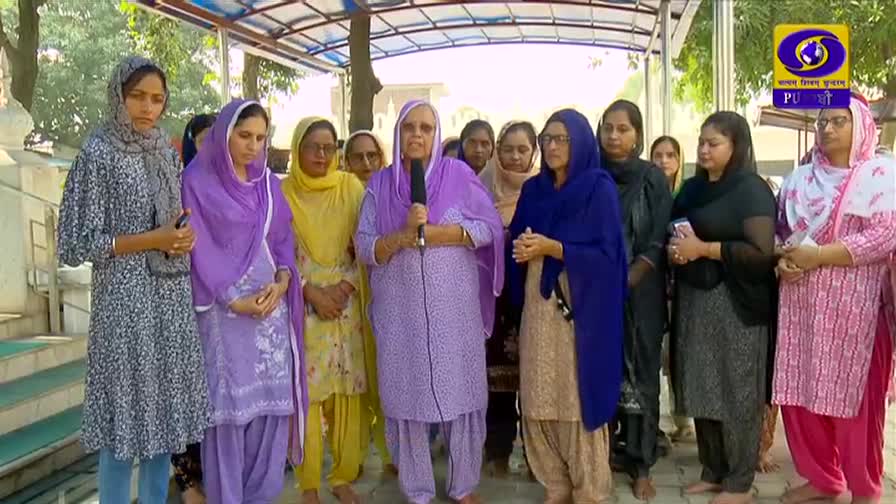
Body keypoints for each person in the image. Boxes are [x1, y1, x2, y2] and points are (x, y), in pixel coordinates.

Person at [57, 56, 209, 503]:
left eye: (157, 99)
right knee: (122, 428)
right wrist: (152, 239)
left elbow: (169, 221)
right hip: (123, 301)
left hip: (168, 299)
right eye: (137, 96)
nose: (147, 107)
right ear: (118, 96)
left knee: (163, 424)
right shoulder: (98, 153)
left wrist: (179, 237)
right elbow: (76, 243)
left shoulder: (164, 151)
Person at [355, 100, 504, 504]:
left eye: (426, 128)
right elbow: (364, 247)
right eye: (409, 128)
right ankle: (417, 489)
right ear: (398, 134)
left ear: (436, 135)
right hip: (399, 314)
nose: (417, 135)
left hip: (454, 313)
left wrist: (441, 234)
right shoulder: (380, 187)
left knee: (462, 393)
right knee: (407, 397)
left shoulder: (458, 176)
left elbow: (489, 229)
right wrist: (401, 237)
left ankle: (463, 485)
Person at [182, 99, 307, 504]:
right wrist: (234, 301)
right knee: (229, 417)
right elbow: (196, 248)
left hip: (270, 310)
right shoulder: (197, 182)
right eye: (244, 135)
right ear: (225, 134)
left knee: (270, 412)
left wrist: (284, 281)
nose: (253, 146)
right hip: (225, 313)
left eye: (260, 138)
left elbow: (283, 241)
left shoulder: (268, 185)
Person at [774, 95, 896, 504]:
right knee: (802, 400)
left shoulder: (880, 175)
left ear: (860, 126)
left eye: (839, 121)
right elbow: (781, 233)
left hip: (856, 312)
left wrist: (820, 255)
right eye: (823, 121)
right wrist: (783, 261)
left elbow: (885, 235)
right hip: (802, 307)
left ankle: (865, 488)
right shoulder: (799, 179)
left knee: (856, 406)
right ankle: (824, 479)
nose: (827, 128)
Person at [510, 109, 627, 503]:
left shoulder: (597, 188)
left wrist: (554, 247)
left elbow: (610, 256)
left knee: (575, 395)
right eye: (546, 139)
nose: (552, 146)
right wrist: (522, 247)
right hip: (538, 304)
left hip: (580, 307)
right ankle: (556, 482)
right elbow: (518, 239)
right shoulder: (534, 190)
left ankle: (588, 487)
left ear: (580, 143)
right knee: (539, 391)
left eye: (561, 139)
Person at [668, 111, 777, 504]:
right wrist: (676, 251)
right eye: (701, 142)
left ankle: (739, 482)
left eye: (713, 143)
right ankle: (713, 470)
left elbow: (761, 254)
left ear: (737, 146)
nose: (704, 150)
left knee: (737, 391)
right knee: (701, 383)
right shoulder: (692, 188)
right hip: (695, 300)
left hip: (737, 303)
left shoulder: (751, 190)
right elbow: (675, 228)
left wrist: (705, 249)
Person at [283, 117, 369, 504]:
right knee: (308, 394)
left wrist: (345, 286)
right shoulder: (282, 194)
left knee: (347, 391)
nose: (322, 155)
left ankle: (342, 476)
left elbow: (365, 243)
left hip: (348, 303)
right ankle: (309, 484)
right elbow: (275, 254)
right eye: (313, 147)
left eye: (329, 147)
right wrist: (311, 292)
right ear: (297, 149)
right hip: (302, 302)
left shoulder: (351, 188)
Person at [599, 99, 673, 501]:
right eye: (608, 128)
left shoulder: (652, 179)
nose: (614, 136)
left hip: (641, 291)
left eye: (623, 129)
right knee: (601, 370)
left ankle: (641, 463)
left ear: (638, 135)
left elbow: (658, 236)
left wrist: (630, 277)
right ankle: (604, 455)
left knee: (642, 372)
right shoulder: (590, 175)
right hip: (597, 291)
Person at [478, 120, 539, 478]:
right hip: (491, 298)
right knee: (496, 380)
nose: (515, 157)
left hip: (534, 297)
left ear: (533, 153)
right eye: (508, 149)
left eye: (522, 150)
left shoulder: (544, 189)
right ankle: (497, 450)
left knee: (536, 380)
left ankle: (537, 457)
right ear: (497, 152)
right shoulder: (480, 189)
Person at [342, 129, 398, 477]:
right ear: (346, 161)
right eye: (357, 156)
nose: (366, 163)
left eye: (372, 156)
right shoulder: (339, 195)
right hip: (349, 296)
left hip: (388, 294)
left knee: (388, 371)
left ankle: (393, 451)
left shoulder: (392, 194)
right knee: (357, 374)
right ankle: (356, 454)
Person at [171, 110, 216, 504]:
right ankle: (187, 482)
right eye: (204, 140)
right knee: (183, 391)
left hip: (221, 309)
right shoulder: (177, 186)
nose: (212, 149)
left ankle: (213, 474)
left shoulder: (236, 187)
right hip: (181, 304)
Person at [649, 134, 695, 447]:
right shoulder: (646, 192)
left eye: (670, 155)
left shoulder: (686, 195)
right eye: (658, 155)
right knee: (657, 354)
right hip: (653, 282)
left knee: (678, 352)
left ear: (679, 160)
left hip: (682, 284)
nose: (664, 161)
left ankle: (684, 419)